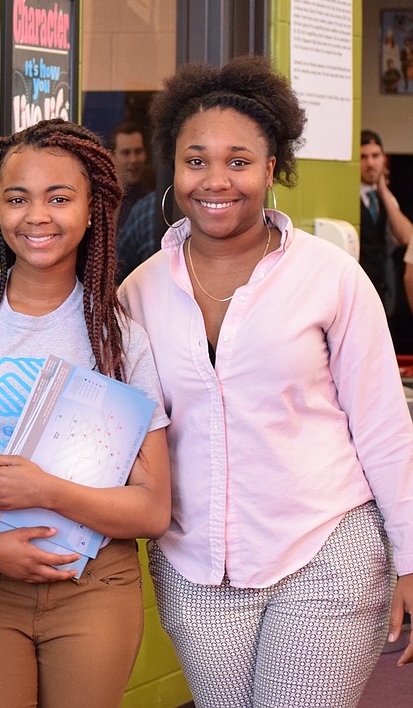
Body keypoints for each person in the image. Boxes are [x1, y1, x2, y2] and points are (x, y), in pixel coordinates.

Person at [120, 56, 413, 707]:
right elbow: (129, 434)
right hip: (194, 565)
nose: (216, 180)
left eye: (239, 161)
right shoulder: (138, 294)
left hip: (326, 547)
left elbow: (385, 428)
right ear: (175, 167)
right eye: (197, 160)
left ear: (273, 167)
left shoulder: (330, 278)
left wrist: (411, 556)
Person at [0, 118, 171, 708]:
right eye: (17, 198)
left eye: (59, 197)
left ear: (92, 208)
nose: (37, 216)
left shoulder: (118, 336)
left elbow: (152, 508)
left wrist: (45, 490)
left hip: (95, 582)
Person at [360, 130, 413, 353]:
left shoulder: (383, 198)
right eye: (363, 157)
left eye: (376, 156)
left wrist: (382, 189)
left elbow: (407, 238)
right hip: (360, 297)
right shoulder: (349, 194)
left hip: (385, 301)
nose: (371, 163)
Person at [109, 121, 156, 281]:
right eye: (126, 153)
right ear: (112, 157)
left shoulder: (153, 204)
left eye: (138, 151)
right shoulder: (103, 203)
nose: (134, 159)